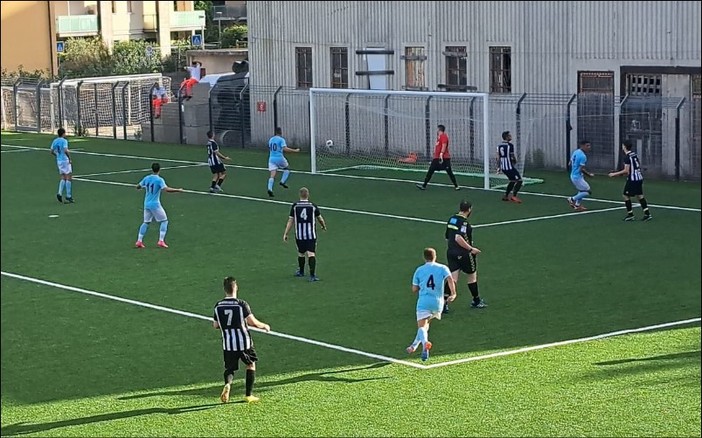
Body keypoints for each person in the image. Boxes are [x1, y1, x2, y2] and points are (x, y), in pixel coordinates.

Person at [213, 276, 271, 404]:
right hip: (244, 342)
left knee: (230, 369)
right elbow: (253, 322)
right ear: (235, 287)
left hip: (228, 344)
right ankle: (248, 395)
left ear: (225, 289)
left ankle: (228, 384)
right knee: (250, 364)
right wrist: (264, 326)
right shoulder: (241, 304)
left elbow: (216, 325)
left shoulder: (218, 306)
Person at [406, 248, 457, 362]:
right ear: (435, 256)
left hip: (424, 301)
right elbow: (450, 279)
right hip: (438, 302)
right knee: (425, 325)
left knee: (421, 327)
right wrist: (453, 293)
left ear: (424, 257)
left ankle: (425, 344)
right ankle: (414, 346)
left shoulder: (419, 270)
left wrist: (421, 285)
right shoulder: (443, 268)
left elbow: (414, 289)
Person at [445, 200, 486, 311]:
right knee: (472, 275)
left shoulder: (451, 219)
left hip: (451, 252)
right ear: (469, 210)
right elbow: (458, 238)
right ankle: (476, 301)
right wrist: (471, 249)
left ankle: (444, 303)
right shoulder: (464, 223)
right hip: (463, 253)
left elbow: (448, 237)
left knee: (453, 278)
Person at [134, 163, 183, 249]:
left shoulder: (147, 178)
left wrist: (140, 187)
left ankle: (139, 241)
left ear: (152, 169)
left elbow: (138, 186)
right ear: (159, 170)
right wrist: (177, 190)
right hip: (155, 204)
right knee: (164, 221)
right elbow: (166, 189)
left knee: (146, 222)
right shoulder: (159, 180)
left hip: (146, 204)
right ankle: (161, 240)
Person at [283, 187, 327, 282]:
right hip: (311, 235)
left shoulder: (295, 206)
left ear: (300, 195)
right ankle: (312, 276)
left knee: (301, 253)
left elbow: (291, 220)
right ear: (308, 195)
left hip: (299, 235)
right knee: (311, 253)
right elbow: (320, 218)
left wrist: (286, 233)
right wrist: (323, 226)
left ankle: (301, 272)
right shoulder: (313, 206)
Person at [608, 141, 652, 221]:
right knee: (640, 196)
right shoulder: (634, 154)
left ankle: (630, 214)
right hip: (639, 178)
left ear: (624, 146)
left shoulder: (627, 157)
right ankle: (647, 214)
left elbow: (626, 171)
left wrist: (614, 174)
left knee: (625, 195)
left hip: (633, 179)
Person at [416, 124, 460, 191]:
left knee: (449, 171)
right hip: (436, 158)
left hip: (444, 158)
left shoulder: (443, 136)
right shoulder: (439, 138)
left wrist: (441, 154)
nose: (436, 131)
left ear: (439, 130)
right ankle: (424, 185)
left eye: (437, 129)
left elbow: (444, 145)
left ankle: (456, 186)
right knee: (431, 170)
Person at [267, 127, 300, 197]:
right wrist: (295, 151)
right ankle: (282, 181)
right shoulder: (281, 140)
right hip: (279, 158)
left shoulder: (271, 139)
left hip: (271, 158)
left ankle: (270, 189)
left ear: (275, 132)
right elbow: (285, 149)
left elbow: (270, 148)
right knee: (287, 168)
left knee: (272, 175)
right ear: (281, 132)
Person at [566, 140, 594, 212]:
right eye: (587, 146)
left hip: (574, 175)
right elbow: (582, 169)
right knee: (588, 191)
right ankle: (572, 199)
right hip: (577, 177)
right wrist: (589, 174)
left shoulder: (576, 152)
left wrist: (574, 168)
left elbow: (570, 163)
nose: (589, 147)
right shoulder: (583, 156)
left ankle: (577, 205)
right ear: (582, 146)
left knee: (581, 190)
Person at [496, 131, 523, 203]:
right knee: (519, 180)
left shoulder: (499, 146)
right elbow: (512, 156)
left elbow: (498, 157)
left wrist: (498, 167)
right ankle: (514, 196)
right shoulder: (510, 145)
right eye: (509, 135)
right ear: (506, 137)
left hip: (503, 167)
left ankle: (505, 196)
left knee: (512, 180)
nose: (511, 136)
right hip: (509, 167)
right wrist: (515, 161)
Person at [50, 128, 74, 204]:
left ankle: (59, 193)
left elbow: (51, 151)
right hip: (65, 160)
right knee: (69, 177)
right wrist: (69, 158)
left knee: (63, 177)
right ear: (63, 134)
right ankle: (68, 196)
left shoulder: (55, 141)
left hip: (59, 161)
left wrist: (57, 155)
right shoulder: (64, 141)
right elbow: (65, 150)